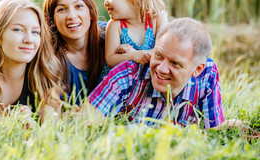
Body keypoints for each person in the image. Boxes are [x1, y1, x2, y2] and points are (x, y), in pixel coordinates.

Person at [87, 18, 225, 129]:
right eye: (158, 55)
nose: (161, 69)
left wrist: (227, 126)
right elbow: (86, 119)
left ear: (197, 69)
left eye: (175, 63)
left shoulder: (207, 74)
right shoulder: (128, 74)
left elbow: (212, 130)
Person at [43, 0, 106, 105]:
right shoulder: (49, 58)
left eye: (78, 6)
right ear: (52, 20)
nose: (71, 15)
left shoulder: (111, 38)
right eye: (62, 9)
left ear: (91, 12)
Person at [99, 0, 168, 68]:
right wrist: (133, 55)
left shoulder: (157, 17)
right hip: (121, 81)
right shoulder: (115, 25)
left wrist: (136, 53)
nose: (106, 2)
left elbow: (163, 50)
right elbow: (111, 59)